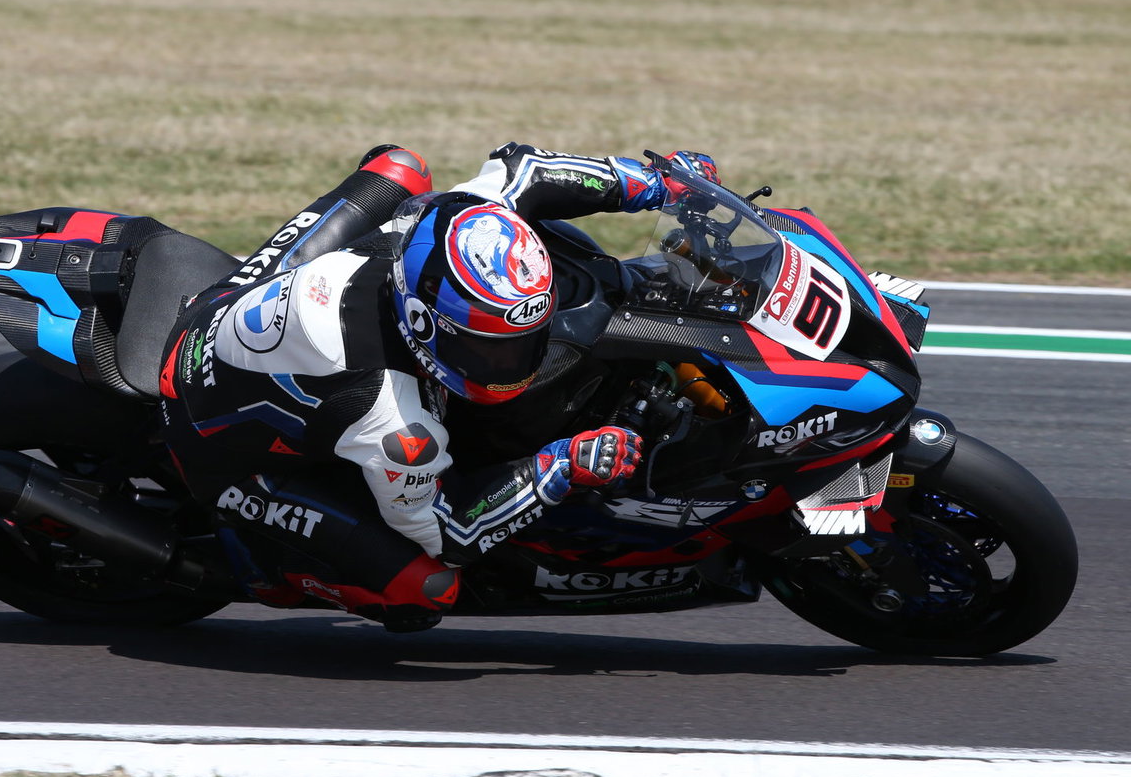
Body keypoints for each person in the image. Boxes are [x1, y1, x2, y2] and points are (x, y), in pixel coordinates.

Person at [158, 143, 719, 632]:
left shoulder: (461, 219)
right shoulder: (394, 419)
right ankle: (268, 566)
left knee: (400, 166)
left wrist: (653, 183)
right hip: (210, 441)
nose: (517, 359)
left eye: (525, 338)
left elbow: (526, 168)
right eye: (491, 347)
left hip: (250, 301)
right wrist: (561, 465)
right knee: (422, 587)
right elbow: (447, 532)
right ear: (425, 324)